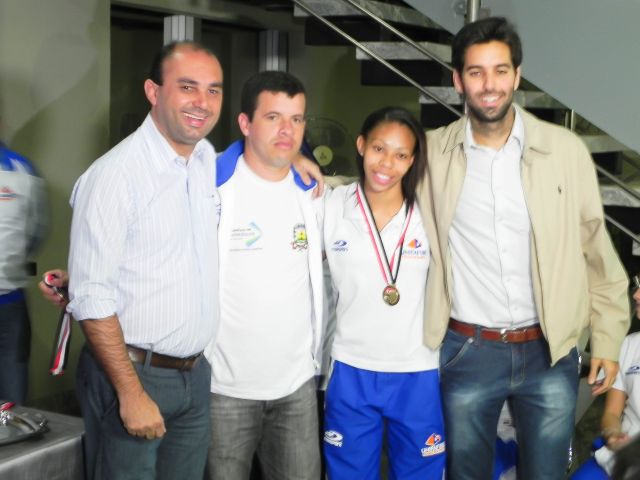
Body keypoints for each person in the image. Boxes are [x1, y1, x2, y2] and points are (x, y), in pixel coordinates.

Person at [418, 17, 630, 479]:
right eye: (476, 72)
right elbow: (375, 186)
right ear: (458, 80)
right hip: (467, 349)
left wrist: (608, 339)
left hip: (549, 351)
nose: (489, 85)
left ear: (517, 75)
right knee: (466, 473)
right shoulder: (432, 154)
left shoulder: (564, 150)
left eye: (500, 70)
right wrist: (296, 166)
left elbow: (596, 249)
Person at [65, 41, 223, 480]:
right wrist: (131, 393)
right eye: (188, 87)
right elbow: (91, 295)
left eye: (213, 90)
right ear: (153, 91)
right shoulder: (115, 175)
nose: (203, 102)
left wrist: (298, 159)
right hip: (134, 376)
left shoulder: (204, 159)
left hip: (194, 377)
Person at [204, 70, 323, 480]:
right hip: (225, 389)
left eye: (296, 119)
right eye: (273, 118)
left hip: (296, 388)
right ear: (245, 123)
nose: (287, 130)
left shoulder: (312, 192)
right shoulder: (209, 185)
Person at [321, 106, 445, 479]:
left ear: (413, 161)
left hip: (418, 370)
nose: (387, 164)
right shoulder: (333, 205)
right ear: (361, 145)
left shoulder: (431, 212)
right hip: (351, 368)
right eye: (379, 148)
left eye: (401, 155)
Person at [570, 277, 640, 479]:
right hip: (620, 458)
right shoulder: (629, 345)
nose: (636, 294)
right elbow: (611, 413)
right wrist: (613, 434)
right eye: (637, 285)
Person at [0, 141, 47, 403]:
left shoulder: (22, 168)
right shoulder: (22, 167)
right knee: (12, 398)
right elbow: (36, 233)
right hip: (10, 300)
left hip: (10, 306)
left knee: (12, 395)